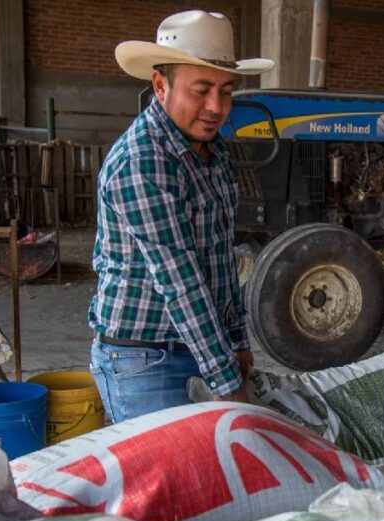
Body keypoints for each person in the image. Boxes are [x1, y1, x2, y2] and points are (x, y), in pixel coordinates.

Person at [87, 10, 274, 422]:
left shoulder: (213, 151)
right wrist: (228, 385)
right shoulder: (142, 162)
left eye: (226, 91)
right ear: (160, 85)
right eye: (201, 90)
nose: (216, 107)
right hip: (144, 362)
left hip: (202, 346)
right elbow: (181, 281)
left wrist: (237, 340)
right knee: (178, 464)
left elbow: (221, 256)